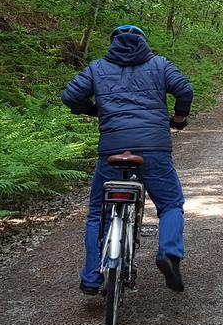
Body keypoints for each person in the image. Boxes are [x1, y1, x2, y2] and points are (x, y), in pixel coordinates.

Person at [62, 24, 194, 294]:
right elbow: (185, 90)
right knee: (170, 204)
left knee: (99, 213)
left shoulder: (97, 68)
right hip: (153, 149)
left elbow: (70, 97)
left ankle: (91, 277)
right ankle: (169, 253)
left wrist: (93, 110)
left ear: (113, 43)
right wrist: (179, 118)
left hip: (111, 149)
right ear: (143, 42)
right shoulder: (160, 65)